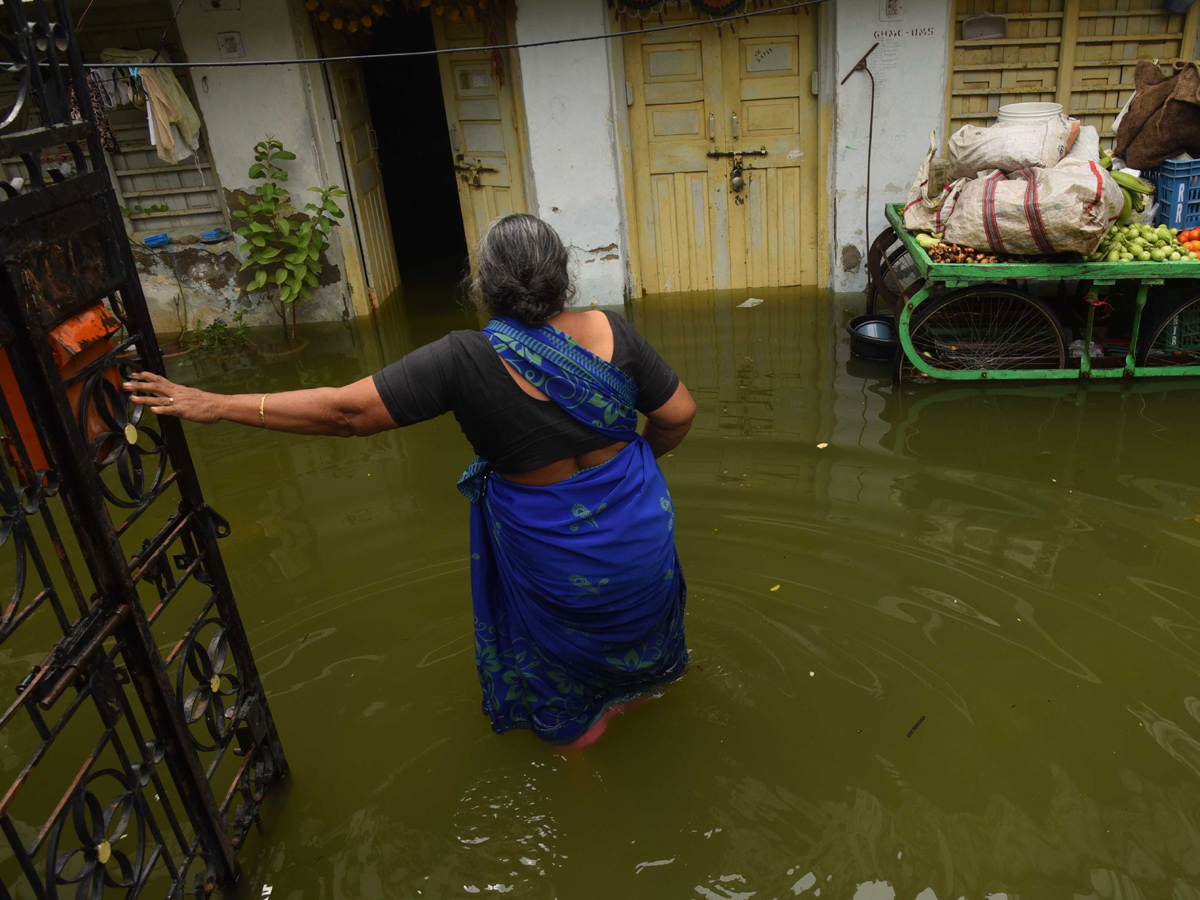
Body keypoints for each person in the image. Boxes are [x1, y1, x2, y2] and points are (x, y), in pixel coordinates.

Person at [124, 214, 696, 747]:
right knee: (639, 646)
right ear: (564, 278)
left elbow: (346, 414)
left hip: (556, 563)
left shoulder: (464, 358)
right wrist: (631, 472)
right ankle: (639, 701)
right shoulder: (611, 332)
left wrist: (217, 403)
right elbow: (678, 416)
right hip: (638, 534)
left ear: (483, 286)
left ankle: (582, 766)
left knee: (568, 689)